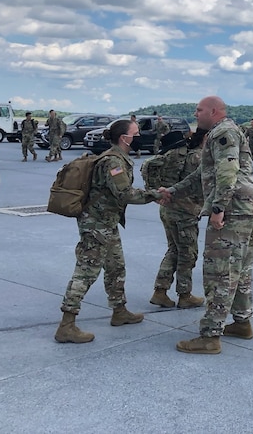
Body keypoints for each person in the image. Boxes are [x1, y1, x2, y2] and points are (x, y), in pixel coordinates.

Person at [55, 119, 167, 344]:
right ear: (124, 138)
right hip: (96, 226)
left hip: (107, 223)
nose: (139, 137)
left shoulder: (118, 158)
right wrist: (155, 194)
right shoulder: (113, 162)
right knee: (86, 272)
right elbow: (125, 193)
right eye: (135, 134)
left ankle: (119, 310)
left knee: (116, 267)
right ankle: (66, 324)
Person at [167, 96, 253, 354]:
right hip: (244, 209)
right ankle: (242, 322)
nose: (195, 114)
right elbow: (202, 174)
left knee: (219, 273)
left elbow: (227, 171)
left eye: (198, 110)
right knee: (239, 270)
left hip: (233, 211)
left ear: (213, 111)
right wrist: (173, 191)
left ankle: (210, 336)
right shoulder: (222, 132)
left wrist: (219, 208)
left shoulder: (224, 132)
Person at [149, 128, 206, 310]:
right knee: (187, 254)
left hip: (168, 208)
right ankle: (184, 295)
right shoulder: (197, 157)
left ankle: (160, 290)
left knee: (174, 250)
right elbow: (200, 185)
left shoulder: (177, 154)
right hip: (185, 211)